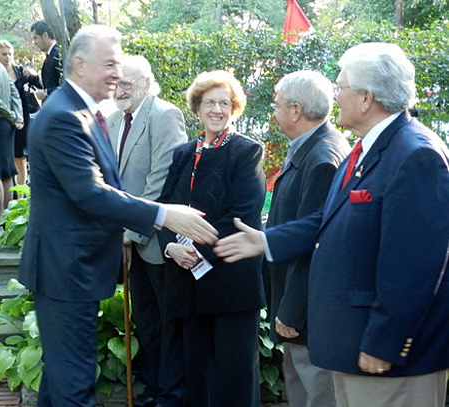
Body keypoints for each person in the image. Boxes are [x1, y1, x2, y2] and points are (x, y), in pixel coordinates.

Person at [215, 42, 449, 407]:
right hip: (353, 348)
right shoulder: (366, 149)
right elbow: (327, 221)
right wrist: (267, 241)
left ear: (366, 98)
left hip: (388, 361)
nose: (334, 95)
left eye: (340, 87)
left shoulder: (416, 154)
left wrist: (385, 341)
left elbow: (415, 265)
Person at [18, 25, 218, 407]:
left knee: (60, 384)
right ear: (78, 63)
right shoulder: (64, 116)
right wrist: (163, 214)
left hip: (75, 271)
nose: (116, 73)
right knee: (74, 388)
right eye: (109, 63)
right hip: (66, 273)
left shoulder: (85, 112)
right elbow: (89, 192)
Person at [158, 70, 266, 407]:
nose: (217, 109)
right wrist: (170, 248)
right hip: (189, 284)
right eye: (210, 102)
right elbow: (163, 210)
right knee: (196, 377)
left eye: (224, 103)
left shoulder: (247, 151)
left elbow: (242, 215)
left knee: (234, 379)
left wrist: (192, 248)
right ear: (197, 108)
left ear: (234, 109)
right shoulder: (183, 154)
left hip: (231, 281)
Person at [107, 55, 187, 407]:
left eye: (128, 83)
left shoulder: (164, 115)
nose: (120, 89)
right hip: (126, 240)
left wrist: (132, 228)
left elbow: (162, 178)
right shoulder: (111, 120)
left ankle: (171, 395)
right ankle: (153, 389)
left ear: (145, 83)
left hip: (157, 240)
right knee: (145, 320)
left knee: (168, 324)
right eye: (117, 83)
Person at [267, 70, 349, 407]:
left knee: (318, 397)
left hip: (307, 316)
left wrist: (291, 310)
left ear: (296, 110)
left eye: (277, 105)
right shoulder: (307, 148)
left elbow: (314, 243)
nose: (274, 113)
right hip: (298, 310)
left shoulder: (322, 159)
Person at [0, 40, 42, 187]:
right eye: (4, 54)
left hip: (21, 116)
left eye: (10, 53)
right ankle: (11, 190)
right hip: (3, 118)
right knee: (6, 158)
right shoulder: (0, 72)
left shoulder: (20, 71)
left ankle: (21, 194)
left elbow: (40, 85)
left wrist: (34, 74)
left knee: (20, 156)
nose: (7, 57)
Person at [0, 62, 23, 218]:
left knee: (2, 173)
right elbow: (14, 92)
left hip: (3, 120)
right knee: (7, 173)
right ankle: (6, 220)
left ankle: (0, 217)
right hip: (7, 125)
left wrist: (13, 116)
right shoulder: (1, 67)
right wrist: (17, 116)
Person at [30, 20, 62, 101]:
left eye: (35, 38)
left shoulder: (59, 55)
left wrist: (46, 93)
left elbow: (66, 86)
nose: (35, 43)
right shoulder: (50, 55)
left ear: (45, 35)